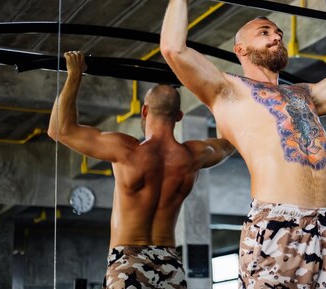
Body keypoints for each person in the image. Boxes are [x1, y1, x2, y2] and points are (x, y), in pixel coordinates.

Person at [160, 0, 326, 288]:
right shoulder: (228, 90)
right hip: (278, 223)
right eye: (264, 32)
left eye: (277, 32)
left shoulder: (305, 94)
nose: (276, 36)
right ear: (241, 49)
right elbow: (174, 50)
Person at [48, 51, 236, 289]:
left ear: (145, 111)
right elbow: (229, 142)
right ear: (179, 116)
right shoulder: (193, 156)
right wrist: (215, 93)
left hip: (128, 260)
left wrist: (74, 73)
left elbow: (59, 129)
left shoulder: (127, 150)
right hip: (169, 263)